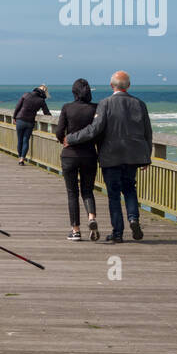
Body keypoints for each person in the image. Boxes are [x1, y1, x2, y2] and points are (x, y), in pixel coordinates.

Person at [65, 70, 153, 243]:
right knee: (129, 189)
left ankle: (118, 233)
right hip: (133, 156)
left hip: (111, 155)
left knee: (113, 195)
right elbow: (147, 132)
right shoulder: (139, 104)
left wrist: (71, 138)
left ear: (112, 85)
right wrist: (146, 156)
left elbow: (94, 129)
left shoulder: (105, 103)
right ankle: (133, 219)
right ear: (128, 86)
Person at [54, 79, 99, 241]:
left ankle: (75, 231)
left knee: (72, 193)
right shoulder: (96, 108)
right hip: (89, 155)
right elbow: (99, 131)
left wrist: (64, 140)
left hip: (70, 155)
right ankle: (91, 218)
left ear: (74, 92)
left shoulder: (67, 108)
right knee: (87, 191)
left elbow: (59, 131)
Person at [12, 85, 50, 165]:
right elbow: (46, 112)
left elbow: (17, 107)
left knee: (20, 140)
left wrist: (14, 117)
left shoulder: (26, 94)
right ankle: (22, 159)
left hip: (20, 120)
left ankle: (19, 158)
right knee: (26, 140)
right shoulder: (41, 100)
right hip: (30, 122)